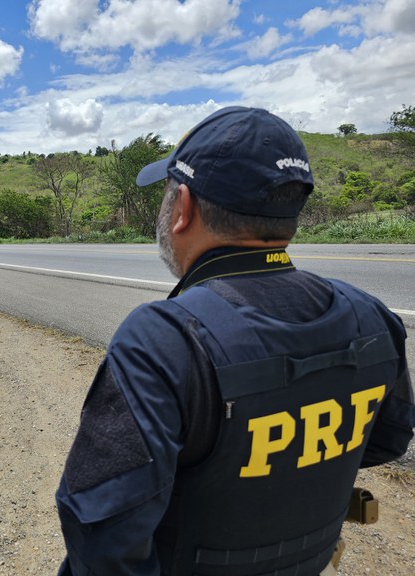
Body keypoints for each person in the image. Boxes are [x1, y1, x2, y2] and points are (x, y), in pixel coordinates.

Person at [55, 106, 415, 576]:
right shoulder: (371, 315)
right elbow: (387, 439)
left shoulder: (162, 341)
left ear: (182, 207)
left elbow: (101, 533)